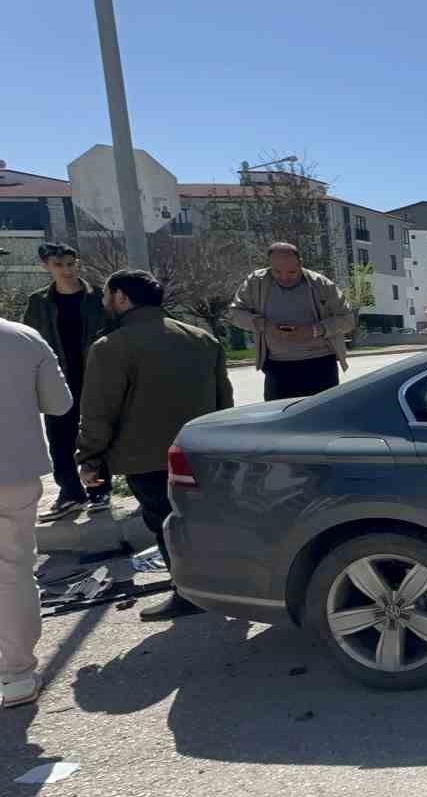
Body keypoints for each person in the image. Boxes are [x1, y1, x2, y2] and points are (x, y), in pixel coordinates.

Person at [77, 270, 234, 622]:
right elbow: (225, 400)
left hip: (145, 457)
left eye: (106, 296)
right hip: (202, 451)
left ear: (121, 298)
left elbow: (99, 411)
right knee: (204, 519)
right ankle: (221, 586)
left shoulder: (112, 347)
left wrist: (89, 458)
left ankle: (187, 592)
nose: (104, 303)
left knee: (165, 522)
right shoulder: (202, 339)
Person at [0, 319, 74, 708]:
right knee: (11, 573)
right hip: (12, 473)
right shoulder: (22, 337)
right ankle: (16, 675)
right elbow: (59, 404)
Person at [21, 243, 112, 521]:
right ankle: (70, 493)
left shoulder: (97, 297)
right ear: (46, 267)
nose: (67, 270)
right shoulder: (39, 302)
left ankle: (100, 490)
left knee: (95, 433)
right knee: (60, 437)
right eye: (59, 265)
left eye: (71, 264)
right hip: (56, 377)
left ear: (78, 263)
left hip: (95, 376)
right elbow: (29, 338)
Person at [227, 242, 354, 400]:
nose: (285, 277)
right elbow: (234, 313)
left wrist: (313, 331)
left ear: (300, 263)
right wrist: (262, 325)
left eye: (292, 272)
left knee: (322, 420)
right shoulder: (256, 282)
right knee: (280, 420)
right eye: (277, 272)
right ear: (269, 265)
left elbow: (347, 320)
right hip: (277, 367)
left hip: (320, 365)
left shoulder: (321, 284)